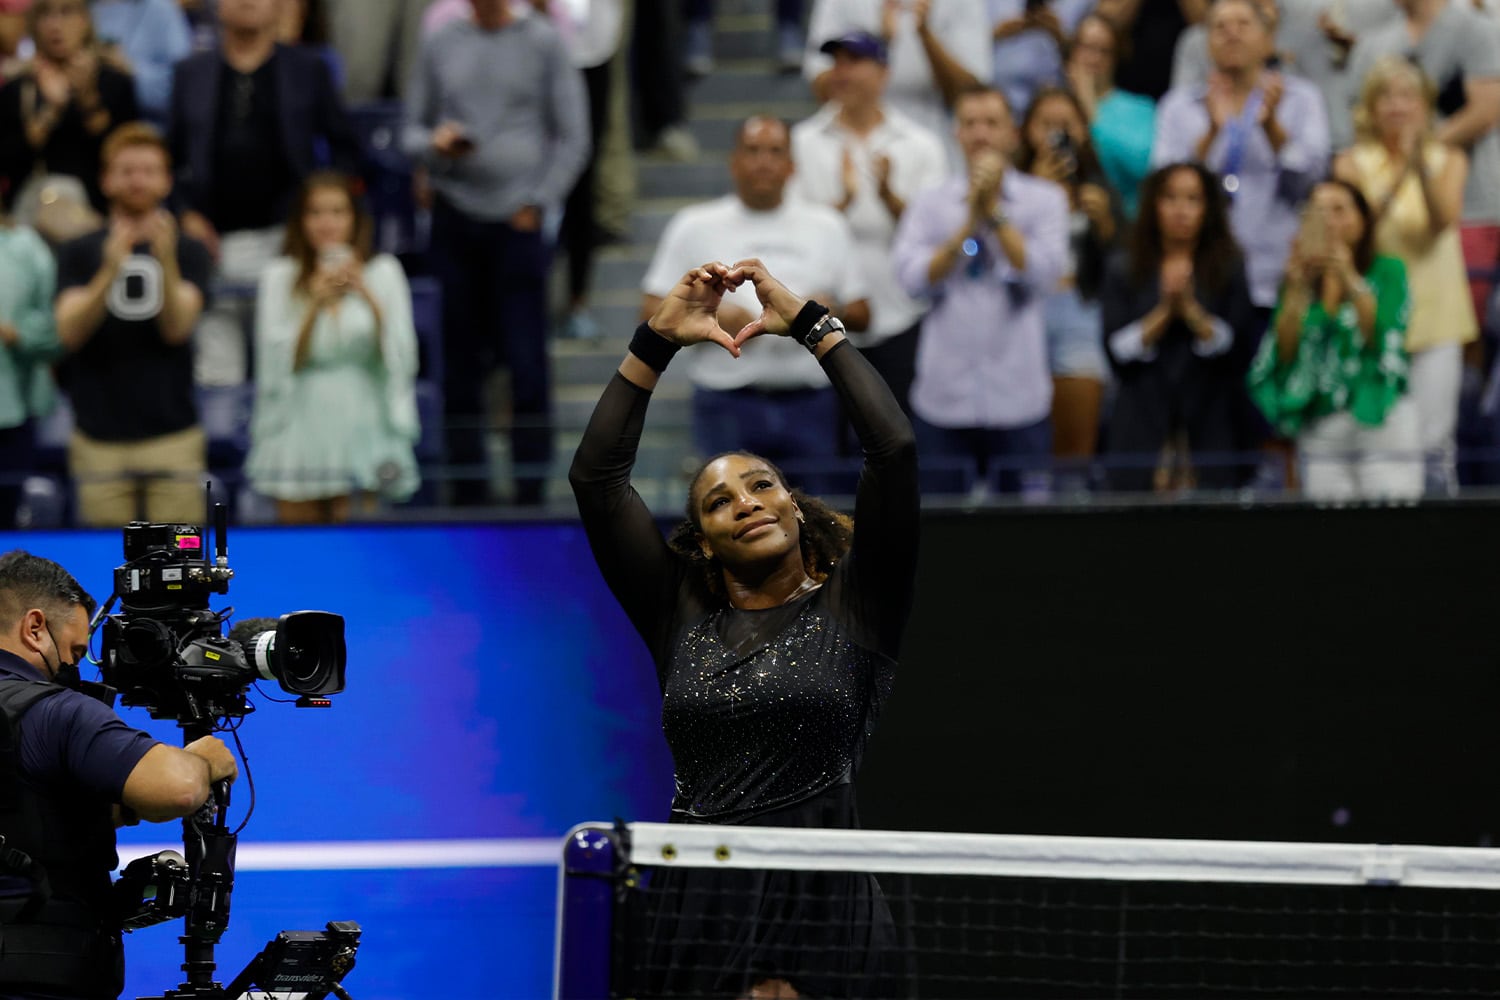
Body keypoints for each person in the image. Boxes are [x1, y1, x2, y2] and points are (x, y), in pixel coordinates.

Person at [569, 259, 918, 998]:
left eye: (762, 485)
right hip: (698, 904)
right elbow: (596, 481)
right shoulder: (678, 612)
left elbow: (893, 451)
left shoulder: (858, 606)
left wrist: (814, 328)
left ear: (794, 506)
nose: (747, 502)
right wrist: (656, 341)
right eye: (720, 500)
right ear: (702, 541)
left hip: (826, 907)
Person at [0, 550, 239, 999]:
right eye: (74, 651)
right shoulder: (55, 711)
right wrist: (205, 761)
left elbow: (19, 806)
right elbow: (178, 789)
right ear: (34, 628)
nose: (75, 668)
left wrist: (118, 809)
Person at [402, 0, 589, 506]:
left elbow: (574, 137)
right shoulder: (441, 40)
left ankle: (531, 491)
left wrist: (540, 201)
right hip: (453, 217)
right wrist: (435, 143)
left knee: (526, 365)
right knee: (459, 366)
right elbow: (409, 132)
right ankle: (467, 491)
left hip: (518, 221)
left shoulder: (544, 40)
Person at [641, 116, 869, 496]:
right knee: (725, 511)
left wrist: (816, 314)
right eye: (753, 151)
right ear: (734, 162)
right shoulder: (694, 225)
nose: (764, 161)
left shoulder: (827, 225)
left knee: (817, 514)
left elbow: (863, 313)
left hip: (811, 400)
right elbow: (650, 310)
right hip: (726, 399)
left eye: (775, 151)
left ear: (791, 166)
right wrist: (711, 316)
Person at [168, 0, 361, 386]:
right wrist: (184, 214)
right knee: (217, 374)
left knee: (287, 367)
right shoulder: (191, 73)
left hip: (289, 240)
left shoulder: (308, 69)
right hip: (213, 243)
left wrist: (319, 212)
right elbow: (168, 163)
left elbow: (347, 151)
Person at [890, 85, 1070, 496]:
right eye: (970, 123)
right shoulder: (930, 202)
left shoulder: (1045, 200)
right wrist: (968, 223)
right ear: (956, 133)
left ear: (1013, 133)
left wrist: (995, 212)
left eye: (991, 123)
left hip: (1019, 397)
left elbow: (1043, 275)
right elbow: (910, 281)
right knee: (940, 523)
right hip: (944, 399)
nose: (980, 134)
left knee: (1025, 526)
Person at [54, 123, 212, 528]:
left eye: (148, 170)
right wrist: (109, 269)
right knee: (102, 561)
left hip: (173, 438)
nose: (137, 180)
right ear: (105, 180)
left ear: (166, 180)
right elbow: (68, 333)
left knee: (180, 561)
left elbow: (178, 328)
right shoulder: (78, 250)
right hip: (98, 441)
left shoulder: (190, 250)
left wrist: (167, 261)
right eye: (126, 170)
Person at [1334, 54, 1477, 493]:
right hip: (1373, 315)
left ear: (1425, 106)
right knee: (1382, 437)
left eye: (1408, 97)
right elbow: (1357, 231)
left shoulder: (1449, 158)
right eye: (1387, 97)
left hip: (1437, 315)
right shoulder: (1350, 163)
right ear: (1371, 107)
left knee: (1435, 440)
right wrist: (1399, 176)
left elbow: (1441, 222)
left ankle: (1440, 523)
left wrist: (1419, 166)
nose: (1397, 106)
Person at [245, 172, 420, 523]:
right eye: (316, 212)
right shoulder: (279, 276)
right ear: (300, 220)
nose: (327, 223)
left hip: (364, 418)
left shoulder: (384, 271)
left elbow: (401, 353)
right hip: (298, 419)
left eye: (338, 212)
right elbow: (275, 362)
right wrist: (314, 304)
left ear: (355, 218)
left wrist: (366, 294)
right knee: (298, 540)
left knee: (361, 538)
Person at [790, 30, 948, 415]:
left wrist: (891, 199)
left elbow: (940, 235)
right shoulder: (802, 141)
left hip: (903, 313)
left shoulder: (921, 144)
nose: (841, 72)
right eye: (836, 62)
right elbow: (792, 230)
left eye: (854, 61)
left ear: (883, 73)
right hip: (824, 318)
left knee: (898, 433)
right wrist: (840, 205)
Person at [1249, 179, 1421, 499]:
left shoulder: (1388, 271)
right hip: (1321, 422)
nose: (1329, 221)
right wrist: (1297, 288)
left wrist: (1347, 276)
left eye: (1339, 210)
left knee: (1391, 519)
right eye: (1319, 212)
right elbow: (1284, 352)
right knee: (1328, 524)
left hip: (1379, 416)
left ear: (1363, 219)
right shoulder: (1297, 280)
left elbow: (1382, 337)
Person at [1100, 162, 1256, 491]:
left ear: (1208, 208)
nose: (1180, 210)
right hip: (1141, 415)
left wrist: (1191, 312)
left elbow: (1238, 346)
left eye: (1192, 199)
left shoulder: (1229, 265)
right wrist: (1164, 313)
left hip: (1210, 415)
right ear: (1153, 205)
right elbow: (1115, 349)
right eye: (1170, 198)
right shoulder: (1124, 266)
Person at [1346, 0, 1500, 325]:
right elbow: (1358, 112)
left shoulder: (1477, 30)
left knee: (1471, 320)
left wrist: (1420, 150)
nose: (1397, 107)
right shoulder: (1375, 42)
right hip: (1388, 223)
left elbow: (1488, 108)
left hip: (1473, 206)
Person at [1015, 85, 1119, 492]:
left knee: (1075, 448)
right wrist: (1034, 194)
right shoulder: (1012, 187)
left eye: (1066, 124)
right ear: (1026, 130)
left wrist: (1107, 227)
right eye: (1046, 124)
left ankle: (1072, 504)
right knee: (1025, 436)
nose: (1056, 134)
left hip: (1079, 307)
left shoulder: (1098, 186)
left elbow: (1128, 262)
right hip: (1023, 310)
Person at [804, 0, 992, 160]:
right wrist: (879, 44)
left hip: (935, 142)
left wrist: (925, 33)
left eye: (853, 59)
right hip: (845, 143)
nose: (845, 67)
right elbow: (820, 86)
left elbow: (972, 94)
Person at [0, 0, 140, 215]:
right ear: (34, 25)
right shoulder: (18, 85)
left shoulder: (114, 80)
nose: (55, 25)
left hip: (101, 205)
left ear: (85, 21)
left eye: (66, 12)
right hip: (32, 205)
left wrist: (88, 98)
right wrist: (51, 110)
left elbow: (122, 151)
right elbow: (9, 160)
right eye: (46, 15)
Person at [1065, 11, 1156, 219]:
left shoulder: (1140, 108)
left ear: (1116, 57)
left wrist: (1091, 111)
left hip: (1124, 221)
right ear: (1072, 51)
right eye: (1087, 47)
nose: (1094, 58)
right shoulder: (1055, 104)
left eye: (1104, 51)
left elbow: (1141, 168)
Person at [0, 215, 58, 529]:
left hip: (14, 411)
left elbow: (54, 325)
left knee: (7, 519)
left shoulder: (28, 248)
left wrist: (19, 333)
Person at [89, 0, 193, 128]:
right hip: (95, 124)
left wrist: (131, 70)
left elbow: (185, 88)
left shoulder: (161, 10)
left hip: (151, 129)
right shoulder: (82, 8)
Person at [986, 0, 1094, 116]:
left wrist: (1059, 36)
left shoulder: (1081, 5)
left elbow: (1085, 55)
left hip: (1056, 101)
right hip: (1002, 98)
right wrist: (996, 35)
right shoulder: (992, 6)